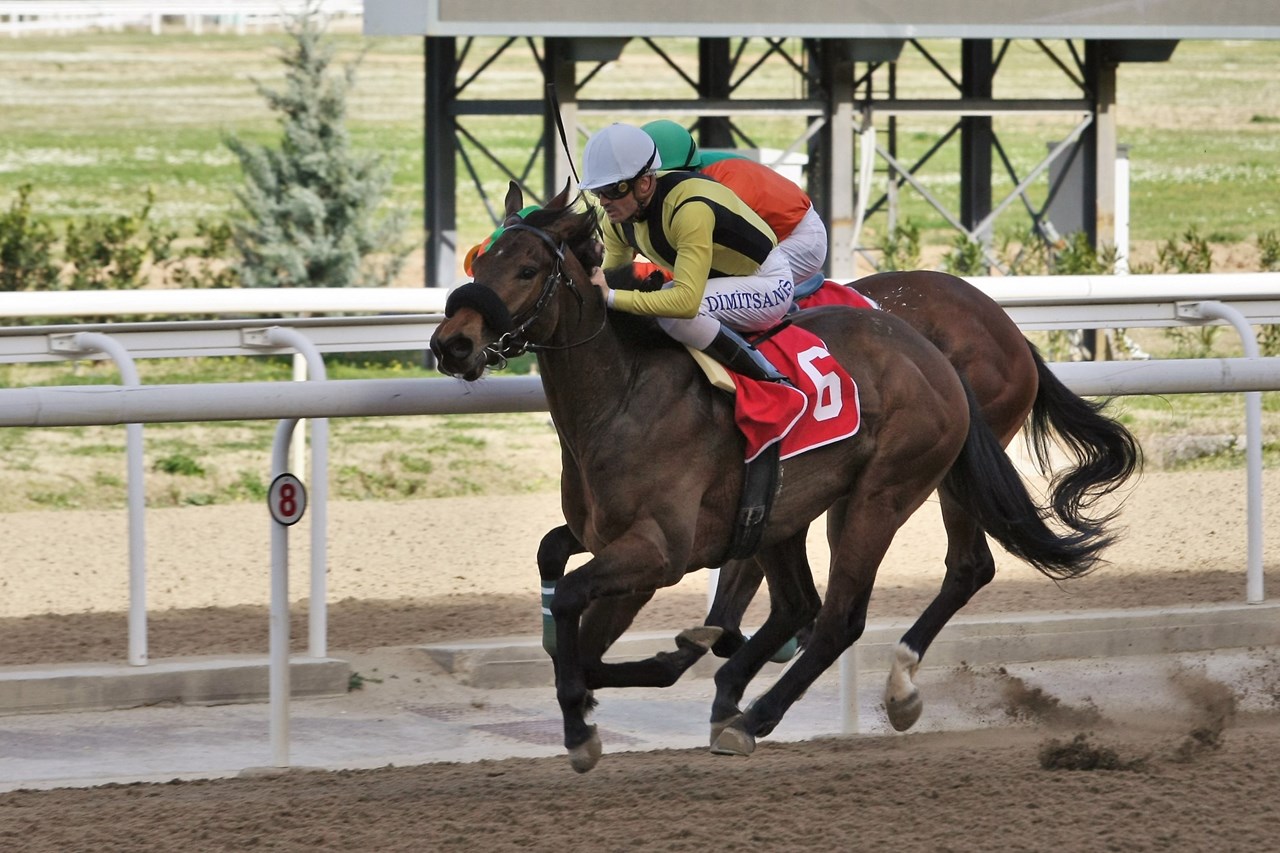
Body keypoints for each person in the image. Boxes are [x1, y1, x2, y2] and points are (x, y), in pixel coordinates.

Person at [580, 122, 795, 383]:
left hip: (768, 284)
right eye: (597, 192)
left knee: (672, 315)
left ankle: (768, 378)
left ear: (645, 183)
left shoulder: (690, 209)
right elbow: (611, 278)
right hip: (717, 283)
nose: (603, 201)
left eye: (613, 190)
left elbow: (685, 302)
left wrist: (611, 297)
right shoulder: (616, 220)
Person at [641, 119, 828, 291]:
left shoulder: (722, 186)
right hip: (771, 239)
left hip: (798, 240)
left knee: (706, 290)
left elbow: (699, 261)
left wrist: (638, 273)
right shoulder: (686, 172)